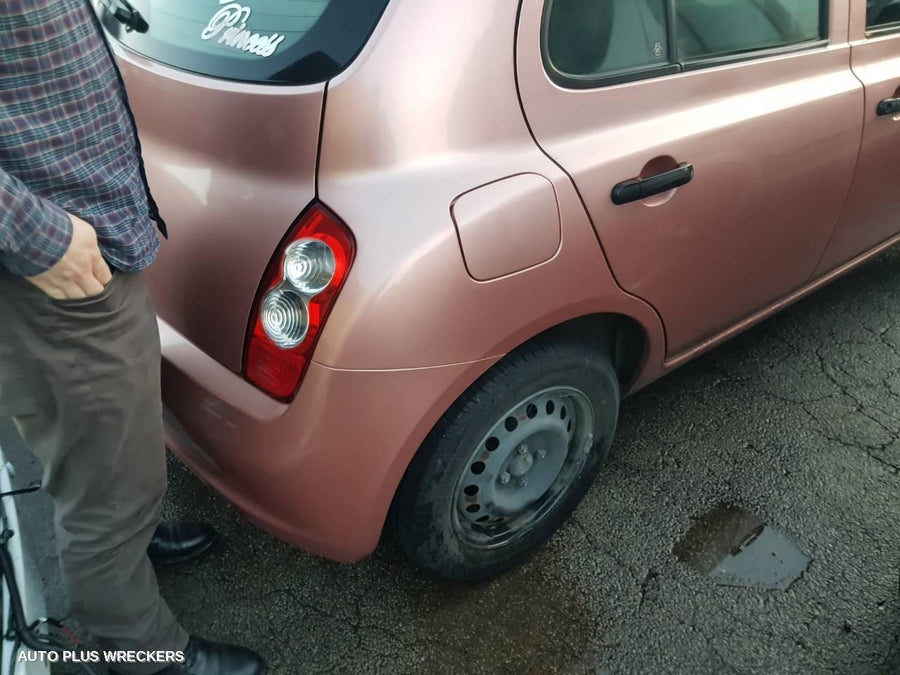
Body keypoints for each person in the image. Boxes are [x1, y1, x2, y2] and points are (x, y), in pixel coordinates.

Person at [0, 2, 266, 674]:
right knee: (102, 491)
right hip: (47, 266)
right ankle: (142, 652)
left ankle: (129, 543)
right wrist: (39, 238)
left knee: (104, 450)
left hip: (80, 237)